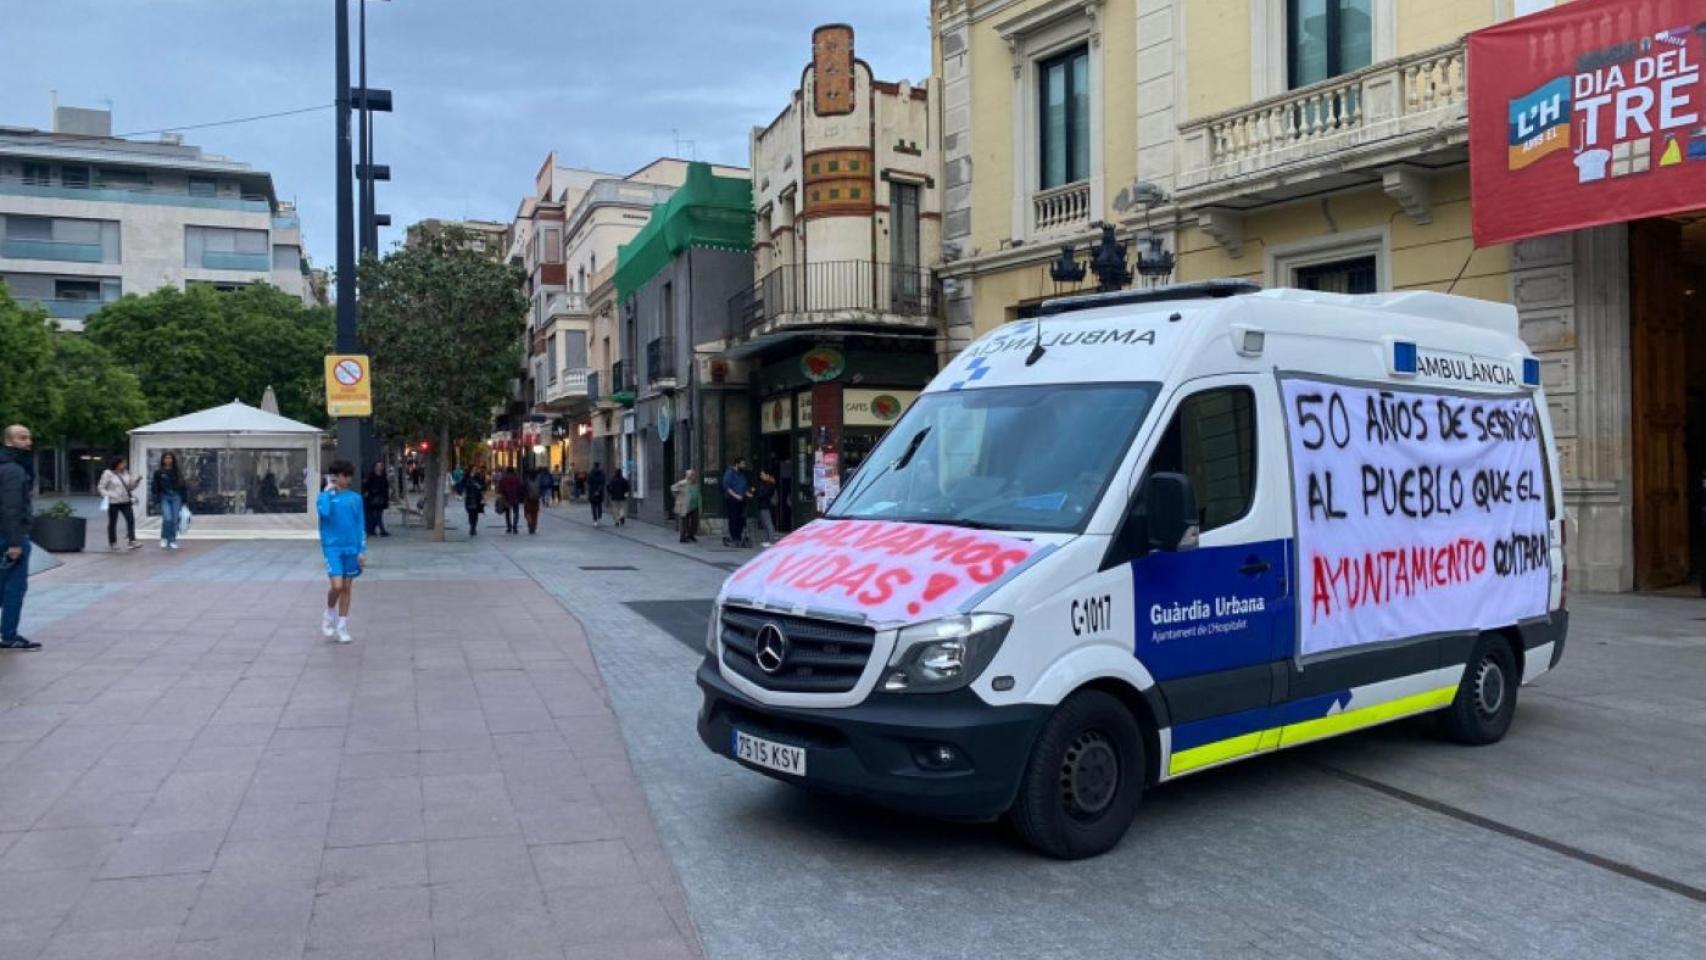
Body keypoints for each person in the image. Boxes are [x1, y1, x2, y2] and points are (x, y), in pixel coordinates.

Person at [0, 425, 40, 651]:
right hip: (11, 535)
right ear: (9, 441)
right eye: (22, 438)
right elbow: (12, 506)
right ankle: (9, 635)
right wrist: (15, 542)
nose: (28, 442)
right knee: (15, 587)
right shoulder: (14, 470)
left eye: (29, 437)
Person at [317, 461, 366, 644]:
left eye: (346, 476)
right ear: (333, 477)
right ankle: (329, 612)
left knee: (346, 588)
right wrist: (327, 493)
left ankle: (342, 626)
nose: (344, 479)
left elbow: (360, 524)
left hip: (351, 548)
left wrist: (361, 550)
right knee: (337, 586)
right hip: (332, 548)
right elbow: (324, 513)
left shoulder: (355, 498)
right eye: (340, 476)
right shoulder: (324, 497)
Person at [97, 455, 143, 551]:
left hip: (125, 501)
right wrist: (108, 495)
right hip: (113, 501)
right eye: (123, 463)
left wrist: (137, 481)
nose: (125, 465)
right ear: (117, 464)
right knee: (113, 521)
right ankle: (113, 542)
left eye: (125, 463)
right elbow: (101, 487)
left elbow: (130, 487)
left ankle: (132, 540)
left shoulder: (126, 473)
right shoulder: (108, 473)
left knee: (130, 519)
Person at [153, 452, 186, 550]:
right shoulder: (159, 472)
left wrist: (185, 500)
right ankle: (164, 537)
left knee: (174, 519)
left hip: (176, 497)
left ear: (173, 460)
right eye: (166, 458)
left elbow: (183, 486)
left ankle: (172, 540)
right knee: (167, 518)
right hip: (164, 497)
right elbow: (155, 486)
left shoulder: (177, 472)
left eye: (170, 458)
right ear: (163, 460)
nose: (168, 460)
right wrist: (156, 498)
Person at [722, 457, 750, 547]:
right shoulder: (730, 472)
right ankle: (734, 537)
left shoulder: (742, 474)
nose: (744, 466)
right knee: (733, 518)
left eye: (744, 464)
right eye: (742, 464)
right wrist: (735, 495)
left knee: (741, 519)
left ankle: (738, 536)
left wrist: (747, 493)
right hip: (732, 499)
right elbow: (727, 486)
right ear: (737, 464)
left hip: (742, 499)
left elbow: (744, 485)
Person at [362, 461, 391, 538]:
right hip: (372, 498)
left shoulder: (384, 476)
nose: (379, 467)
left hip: (381, 498)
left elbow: (386, 487)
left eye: (381, 466)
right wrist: (368, 493)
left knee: (378, 515)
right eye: (377, 466)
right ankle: (380, 530)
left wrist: (386, 498)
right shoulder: (371, 476)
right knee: (375, 515)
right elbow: (367, 486)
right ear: (374, 467)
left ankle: (373, 530)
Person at [672, 468, 701, 543]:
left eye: (694, 474)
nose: (694, 476)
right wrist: (678, 497)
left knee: (695, 522)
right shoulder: (683, 483)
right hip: (685, 505)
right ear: (688, 476)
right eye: (692, 475)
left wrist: (699, 503)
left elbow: (698, 493)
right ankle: (683, 538)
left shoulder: (695, 483)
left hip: (694, 506)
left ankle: (691, 535)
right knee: (685, 523)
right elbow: (673, 488)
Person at [752, 468, 779, 547]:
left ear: (767, 475)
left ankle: (771, 540)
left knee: (768, 523)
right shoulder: (764, 483)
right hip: (762, 505)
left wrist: (756, 492)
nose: (761, 476)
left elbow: (763, 494)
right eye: (761, 475)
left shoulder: (770, 484)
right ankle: (767, 540)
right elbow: (759, 492)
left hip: (766, 505)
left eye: (762, 475)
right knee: (765, 523)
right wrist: (755, 491)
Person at [498, 467, 525, 534]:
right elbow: (520, 488)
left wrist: (502, 495)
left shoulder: (503, 478)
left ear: (507, 471)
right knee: (516, 512)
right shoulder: (517, 478)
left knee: (507, 513)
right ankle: (515, 526)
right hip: (515, 497)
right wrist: (521, 497)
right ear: (513, 471)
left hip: (506, 498)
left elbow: (500, 488)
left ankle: (509, 527)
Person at [463, 468, 487, 536]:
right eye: (473, 470)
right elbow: (462, 486)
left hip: (477, 498)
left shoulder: (478, 478)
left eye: (475, 470)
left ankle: (473, 528)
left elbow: (483, 487)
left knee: (475, 513)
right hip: (469, 498)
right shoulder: (466, 478)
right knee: (470, 513)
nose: (474, 471)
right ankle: (472, 526)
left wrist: (481, 486)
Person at [523, 467, 543, 535]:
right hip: (536, 499)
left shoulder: (527, 480)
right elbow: (541, 489)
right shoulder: (538, 480)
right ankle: (533, 527)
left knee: (527, 513)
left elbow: (524, 489)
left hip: (528, 499)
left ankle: (530, 523)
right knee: (535, 514)